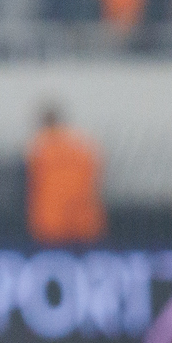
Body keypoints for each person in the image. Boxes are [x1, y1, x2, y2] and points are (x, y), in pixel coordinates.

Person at [25, 105, 106, 244]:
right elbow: (97, 175)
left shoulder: (39, 148)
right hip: (83, 219)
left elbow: (30, 182)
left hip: (50, 222)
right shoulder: (83, 145)